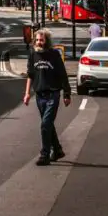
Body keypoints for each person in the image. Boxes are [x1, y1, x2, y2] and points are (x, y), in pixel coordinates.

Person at [22, 29, 71, 166]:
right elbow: (30, 75)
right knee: (48, 124)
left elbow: (62, 75)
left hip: (53, 94)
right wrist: (27, 94)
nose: (39, 42)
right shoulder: (33, 54)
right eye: (37, 40)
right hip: (39, 95)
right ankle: (57, 150)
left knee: (45, 124)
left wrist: (66, 94)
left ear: (47, 41)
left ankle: (44, 155)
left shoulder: (54, 54)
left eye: (41, 40)